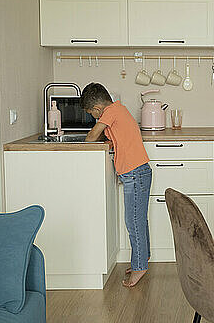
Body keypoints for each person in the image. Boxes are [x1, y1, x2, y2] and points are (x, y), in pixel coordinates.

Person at [81, 83, 152, 287]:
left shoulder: (110, 112)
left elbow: (91, 137)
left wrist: (96, 127)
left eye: (92, 114)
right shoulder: (119, 109)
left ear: (97, 109)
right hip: (138, 172)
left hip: (136, 174)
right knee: (139, 220)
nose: (94, 118)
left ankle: (139, 267)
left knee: (133, 222)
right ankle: (141, 259)